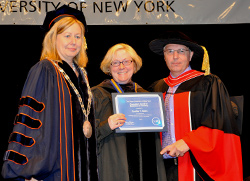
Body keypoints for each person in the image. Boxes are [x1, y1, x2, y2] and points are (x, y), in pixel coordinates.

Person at [2, 5, 98, 181]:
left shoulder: (82, 74)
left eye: (78, 36)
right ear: (54, 38)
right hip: (54, 169)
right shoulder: (44, 69)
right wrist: (28, 172)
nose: (73, 41)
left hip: (84, 167)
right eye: (67, 35)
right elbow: (30, 119)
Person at [148, 31, 243, 181]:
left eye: (181, 51)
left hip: (196, 163)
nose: (175, 56)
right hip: (164, 166)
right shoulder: (156, 87)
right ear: (164, 56)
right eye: (170, 51)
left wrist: (187, 142)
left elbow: (218, 122)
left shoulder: (208, 83)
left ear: (190, 55)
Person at [91, 43, 166, 181]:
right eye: (115, 63)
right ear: (108, 67)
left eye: (126, 61)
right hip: (114, 170)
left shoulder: (147, 96)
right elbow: (84, 137)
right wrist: (106, 126)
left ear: (134, 65)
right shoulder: (96, 95)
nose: (121, 67)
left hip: (147, 169)